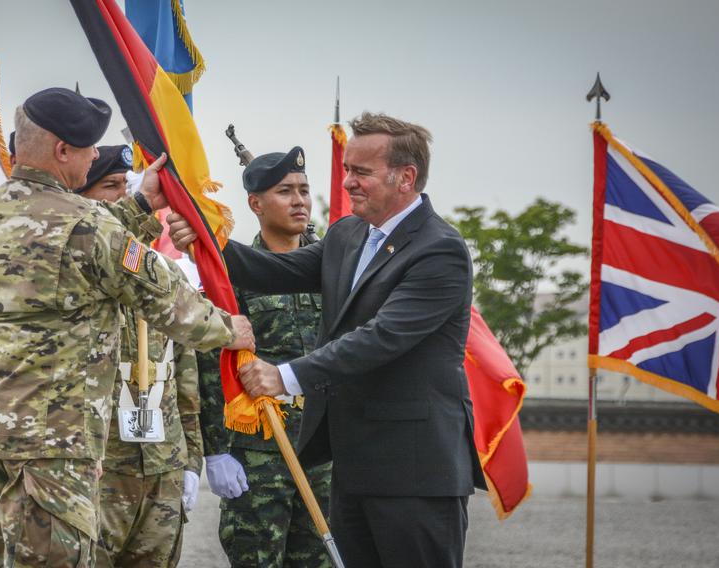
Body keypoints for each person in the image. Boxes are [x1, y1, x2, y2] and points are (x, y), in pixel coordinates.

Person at [169, 112, 486, 568]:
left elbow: (381, 338)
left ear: (406, 177)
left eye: (361, 172)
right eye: (347, 171)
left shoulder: (439, 249)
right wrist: (203, 239)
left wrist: (284, 376)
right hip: (350, 467)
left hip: (413, 470)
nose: (349, 182)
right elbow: (274, 270)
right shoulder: (349, 234)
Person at [0, 87, 254, 567]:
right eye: (91, 148)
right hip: (59, 445)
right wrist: (229, 328)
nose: (95, 154)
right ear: (62, 151)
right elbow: (171, 304)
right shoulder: (87, 226)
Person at [197, 147, 332, 567]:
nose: (299, 201)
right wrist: (215, 450)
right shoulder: (231, 273)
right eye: (285, 191)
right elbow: (209, 365)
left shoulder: (332, 268)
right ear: (255, 203)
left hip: (321, 446)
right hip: (259, 451)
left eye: (305, 190)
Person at [77, 145, 205, 567]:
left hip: (162, 461)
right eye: (109, 187)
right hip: (100, 465)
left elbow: (184, 376)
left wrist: (192, 458)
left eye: (124, 187)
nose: (119, 197)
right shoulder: (75, 272)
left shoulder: (158, 270)